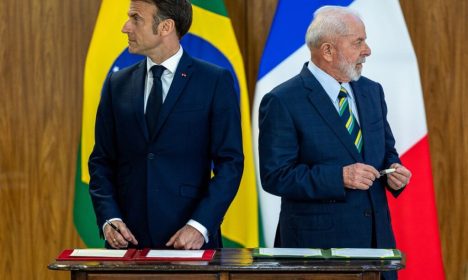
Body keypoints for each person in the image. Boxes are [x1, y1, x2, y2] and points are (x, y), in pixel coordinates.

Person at [258, 6, 411, 279]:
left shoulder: (372, 91)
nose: (368, 50)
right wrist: (339, 177)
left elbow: (386, 151)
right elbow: (275, 176)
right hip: (316, 252)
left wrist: (394, 171)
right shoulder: (282, 100)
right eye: (358, 42)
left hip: (377, 248)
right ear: (327, 51)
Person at [88, 0, 243, 250]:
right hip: (128, 242)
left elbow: (230, 163)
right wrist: (109, 218)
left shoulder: (214, 81)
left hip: (189, 241)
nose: (125, 27)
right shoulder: (116, 84)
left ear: (166, 27)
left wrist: (200, 225)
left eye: (136, 18)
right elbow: (101, 161)